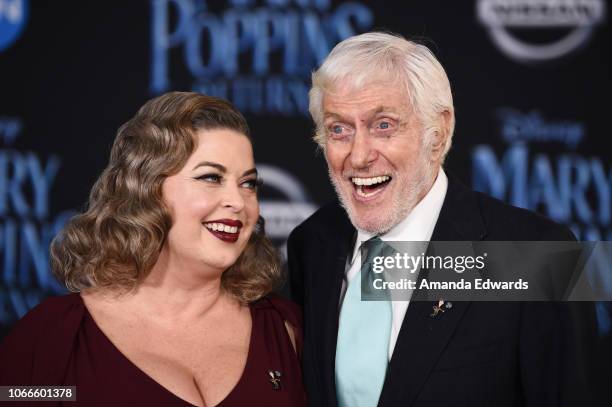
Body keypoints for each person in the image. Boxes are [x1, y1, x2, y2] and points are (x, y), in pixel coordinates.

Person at [288, 32, 595, 407]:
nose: (359, 156)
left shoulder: (537, 256)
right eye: (339, 129)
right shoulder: (313, 243)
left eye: (383, 125)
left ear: (438, 133)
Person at [0, 92, 306, 407]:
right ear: (148, 189)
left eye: (248, 183)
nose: (238, 202)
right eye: (211, 178)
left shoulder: (286, 331)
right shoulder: (53, 339)